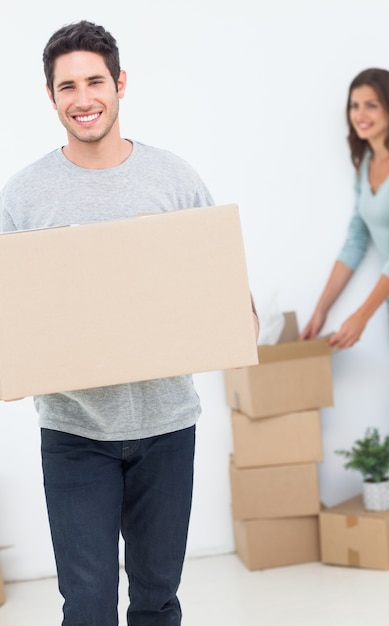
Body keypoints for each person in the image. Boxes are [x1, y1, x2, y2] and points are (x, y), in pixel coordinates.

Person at [0, 20, 259, 625]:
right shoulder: (24, 198)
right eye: (68, 86)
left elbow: (226, 294)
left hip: (167, 427)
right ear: (50, 96)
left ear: (120, 84)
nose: (83, 99)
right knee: (87, 608)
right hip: (73, 433)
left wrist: (236, 318)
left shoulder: (173, 179)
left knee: (156, 600)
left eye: (95, 81)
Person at [300, 67, 389, 561]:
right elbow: (355, 240)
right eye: (354, 105)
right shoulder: (367, 163)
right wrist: (322, 310)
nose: (360, 115)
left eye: (370, 104)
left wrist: (360, 317)